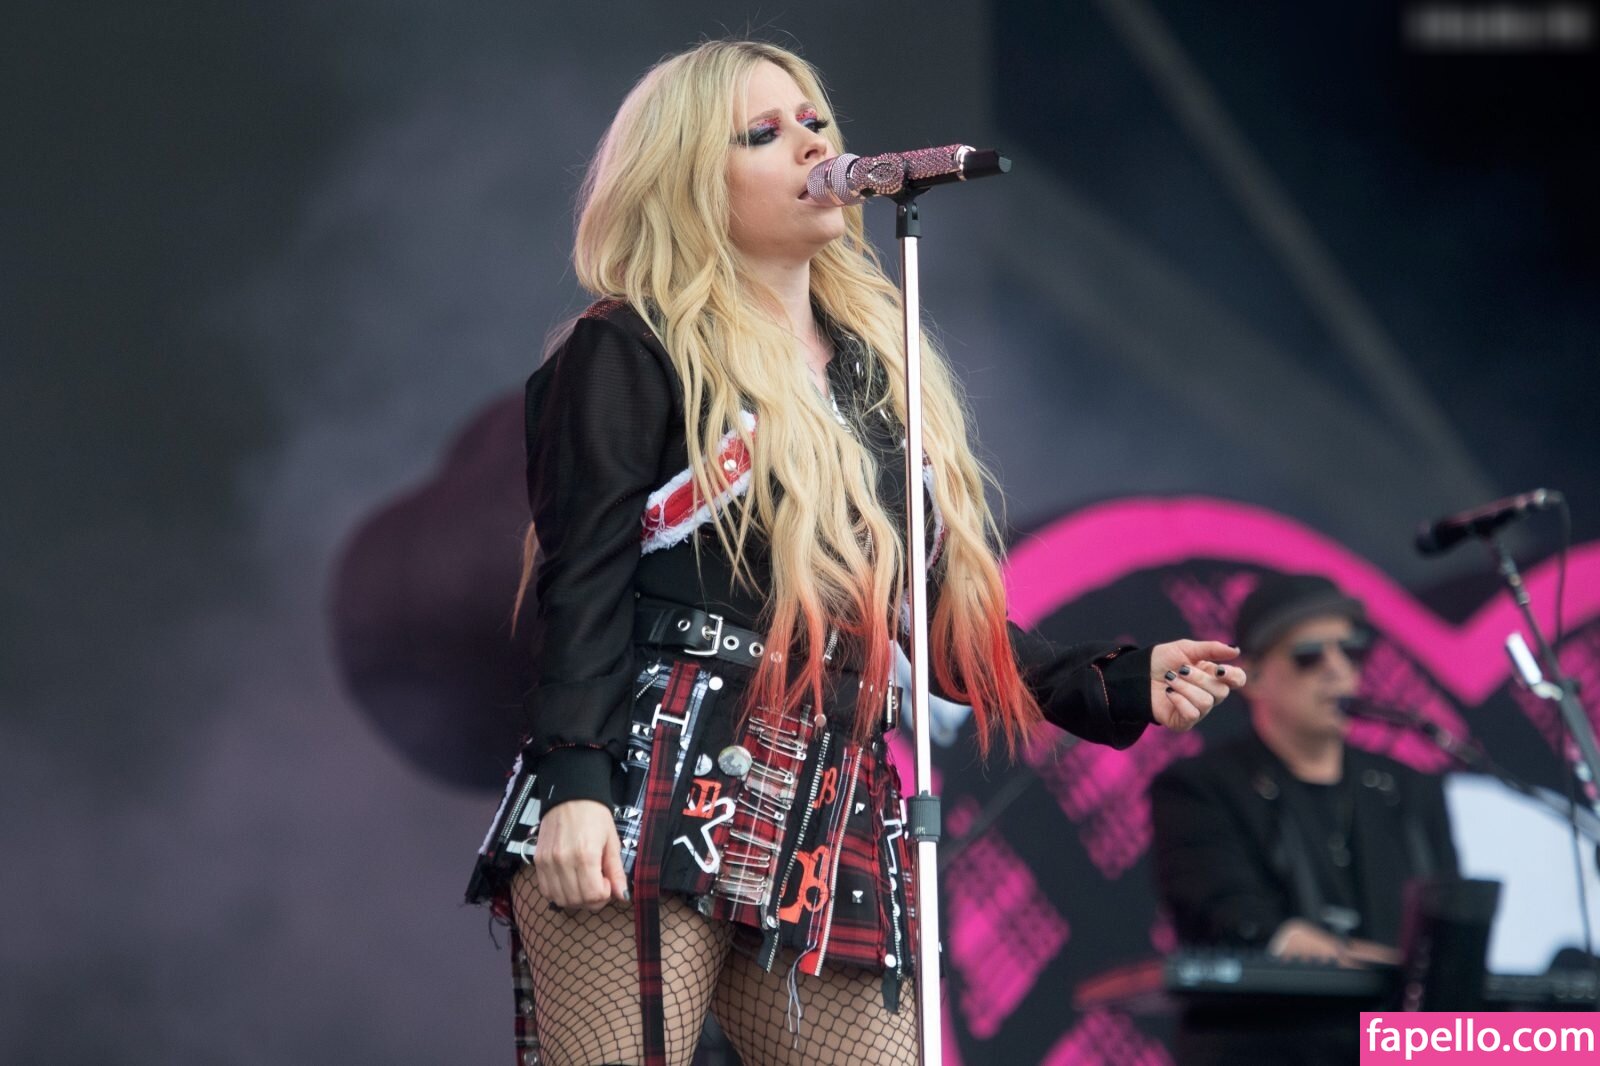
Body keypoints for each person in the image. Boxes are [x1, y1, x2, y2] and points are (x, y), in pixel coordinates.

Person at [467, 39, 1245, 1066]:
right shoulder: (631, 348)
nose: (809, 145)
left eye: (813, 122)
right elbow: (584, 581)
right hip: (652, 771)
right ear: (690, 179)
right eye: (762, 133)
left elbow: (937, 619)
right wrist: (575, 783)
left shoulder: (874, 378)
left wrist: (1114, 679)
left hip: (828, 800)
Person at [1149, 572, 1459, 1064]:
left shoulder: (1408, 789)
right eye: (1309, 655)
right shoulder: (1198, 789)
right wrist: (1395, 967)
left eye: (1351, 651)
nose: (1338, 670)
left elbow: (1450, 933)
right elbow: (1242, 924)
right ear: (1252, 676)